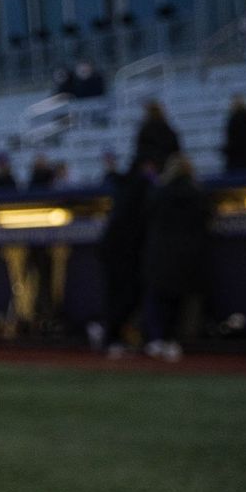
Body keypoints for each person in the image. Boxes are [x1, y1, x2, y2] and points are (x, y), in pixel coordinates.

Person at [143, 153, 212, 361]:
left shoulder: (160, 192)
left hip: (161, 253)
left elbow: (146, 217)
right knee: (177, 300)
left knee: (157, 298)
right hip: (187, 255)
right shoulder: (196, 192)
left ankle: (156, 339)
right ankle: (171, 340)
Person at [92, 152, 150, 358]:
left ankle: (111, 334)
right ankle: (111, 336)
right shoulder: (141, 187)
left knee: (120, 296)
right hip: (122, 253)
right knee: (122, 296)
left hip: (118, 251)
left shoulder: (127, 186)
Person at [132, 100, 181, 172]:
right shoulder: (168, 129)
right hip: (167, 167)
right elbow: (176, 151)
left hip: (151, 168)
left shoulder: (145, 130)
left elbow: (141, 151)